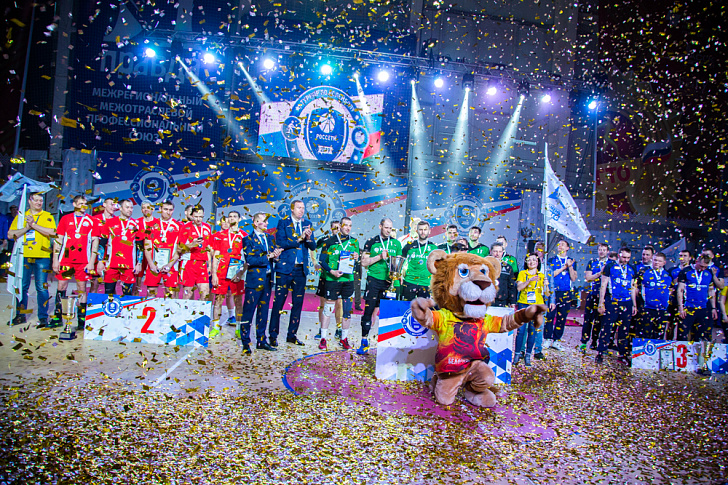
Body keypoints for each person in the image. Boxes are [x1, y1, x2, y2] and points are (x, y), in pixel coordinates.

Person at [269, 200, 316, 346]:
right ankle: (273, 335)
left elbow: (313, 246)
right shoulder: (283, 223)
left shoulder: (307, 224)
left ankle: (292, 335)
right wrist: (299, 238)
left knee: (298, 304)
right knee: (279, 302)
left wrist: (308, 239)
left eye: (303, 208)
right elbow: (281, 243)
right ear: (292, 209)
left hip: (300, 270)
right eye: (299, 208)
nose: (301, 210)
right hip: (285, 269)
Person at [8, 193, 57, 326]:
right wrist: (26, 228)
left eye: (41, 200)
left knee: (42, 287)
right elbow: (10, 235)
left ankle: (43, 317)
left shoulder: (47, 216)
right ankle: (21, 315)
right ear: (29, 201)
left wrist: (33, 225)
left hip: (42, 256)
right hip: (24, 256)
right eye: (36, 200)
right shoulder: (21, 216)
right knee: (22, 286)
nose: (39, 203)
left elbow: (52, 232)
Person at [50, 195, 97, 330]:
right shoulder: (65, 219)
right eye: (81, 203)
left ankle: (81, 320)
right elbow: (59, 240)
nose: (83, 206)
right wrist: (55, 259)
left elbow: (95, 242)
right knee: (61, 286)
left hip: (83, 261)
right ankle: (58, 317)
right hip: (66, 260)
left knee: (82, 288)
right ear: (74, 204)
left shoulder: (91, 220)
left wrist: (91, 261)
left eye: (85, 203)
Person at [240, 212, 282, 354]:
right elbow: (250, 260)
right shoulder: (247, 239)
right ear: (256, 223)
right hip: (254, 281)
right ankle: (245, 342)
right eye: (264, 221)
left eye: (267, 222)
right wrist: (268, 256)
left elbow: (273, 257)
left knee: (263, 312)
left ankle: (261, 340)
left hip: (267, 280)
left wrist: (276, 256)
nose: (267, 224)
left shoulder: (269, 238)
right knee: (248, 311)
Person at [359, 217, 402, 354]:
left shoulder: (396, 244)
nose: (388, 230)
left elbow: (399, 264)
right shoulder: (371, 242)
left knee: (388, 314)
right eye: (386, 227)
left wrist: (399, 274)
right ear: (380, 226)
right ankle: (364, 341)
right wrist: (379, 257)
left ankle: (387, 344)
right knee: (368, 310)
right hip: (374, 280)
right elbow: (364, 263)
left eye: (390, 228)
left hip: (389, 282)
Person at [317, 216, 360, 350]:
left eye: (350, 226)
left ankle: (344, 338)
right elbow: (322, 261)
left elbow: (356, 261)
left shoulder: (354, 242)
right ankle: (323, 338)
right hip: (333, 280)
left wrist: (357, 257)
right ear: (340, 226)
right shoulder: (329, 241)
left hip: (348, 280)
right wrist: (332, 271)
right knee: (328, 309)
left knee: (347, 311)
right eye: (345, 225)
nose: (348, 228)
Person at [596, 247, 637, 365]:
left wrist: (634, 304)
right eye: (624, 257)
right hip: (612, 301)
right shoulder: (610, 266)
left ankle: (622, 354)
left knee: (624, 329)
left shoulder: (632, 268)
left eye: (628, 258)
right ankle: (600, 352)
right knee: (607, 327)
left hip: (627, 302)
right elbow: (603, 284)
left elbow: (633, 287)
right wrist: (601, 302)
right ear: (619, 255)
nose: (626, 260)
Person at [210, 210, 247, 338]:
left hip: (236, 273)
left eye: (234, 216)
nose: (232, 218)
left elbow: (246, 257)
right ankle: (215, 327)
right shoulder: (220, 235)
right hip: (222, 272)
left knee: (238, 301)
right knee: (218, 300)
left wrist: (241, 273)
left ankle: (238, 328)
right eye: (230, 216)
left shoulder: (244, 236)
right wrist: (214, 274)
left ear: (239, 219)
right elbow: (216, 255)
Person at [97, 199, 142, 296]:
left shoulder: (136, 225)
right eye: (127, 207)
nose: (130, 210)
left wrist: (139, 263)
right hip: (111, 265)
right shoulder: (109, 222)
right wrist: (100, 261)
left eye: (131, 207)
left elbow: (140, 246)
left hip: (129, 266)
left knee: (127, 295)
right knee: (108, 293)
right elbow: (102, 243)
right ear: (120, 208)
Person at [513, 252, 550, 366]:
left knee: (532, 331)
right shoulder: (522, 273)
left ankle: (528, 355)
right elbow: (519, 288)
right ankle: (517, 354)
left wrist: (546, 285)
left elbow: (547, 294)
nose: (531, 262)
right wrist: (529, 280)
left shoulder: (542, 275)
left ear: (538, 262)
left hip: (537, 306)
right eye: (529, 260)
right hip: (524, 304)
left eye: (534, 260)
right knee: (521, 331)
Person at [144, 200, 182, 298]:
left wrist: (169, 265)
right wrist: (151, 264)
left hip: (171, 266)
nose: (168, 212)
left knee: (170, 295)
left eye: (170, 210)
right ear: (160, 209)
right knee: (151, 293)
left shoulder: (178, 226)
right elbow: (147, 246)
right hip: (153, 265)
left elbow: (179, 249)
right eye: (165, 209)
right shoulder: (151, 225)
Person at [544, 239, 577, 351]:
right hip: (553, 291)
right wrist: (564, 267)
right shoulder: (552, 260)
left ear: (567, 248)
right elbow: (550, 274)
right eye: (559, 244)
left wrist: (570, 266)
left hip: (566, 292)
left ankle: (557, 340)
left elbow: (573, 278)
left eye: (563, 244)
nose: (560, 246)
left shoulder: (571, 261)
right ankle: (547, 338)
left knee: (562, 317)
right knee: (550, 315)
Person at [314, 220, 343, 340]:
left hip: (338, 277)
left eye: (339, 228)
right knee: (323, 303)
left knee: (339, 303)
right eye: (335, 228)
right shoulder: (325, 240)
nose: (337, 230)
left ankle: (339, 328)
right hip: (325, 276)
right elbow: (312, 248)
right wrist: (315, 262)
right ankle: (321, 329)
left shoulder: (344, 241)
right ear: (331, 229)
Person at [677, 255, 715, 342]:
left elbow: (711, 290)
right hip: (688, 307)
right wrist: (680, 308)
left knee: (701, 335)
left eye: (705, 267)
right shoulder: (686, 271)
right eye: (701, 266)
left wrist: (713, 308)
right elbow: (680, 290)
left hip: (703, 308)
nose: (702, 269)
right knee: (683, 334)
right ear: (697, 261)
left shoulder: (708, 272)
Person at [580, 243, 610, 352]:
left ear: (607, 251)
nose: (602, 252)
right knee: (588, 319)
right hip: (592, 294)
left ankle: (594, 341)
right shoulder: (592, 262)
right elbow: (588, 278)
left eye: (604, 250)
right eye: (600, 250)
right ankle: (584, 342)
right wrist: (599, 273)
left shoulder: (610, 264)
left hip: (605, 296)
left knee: (600, 320)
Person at [179, 206, 212, 300]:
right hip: (189, 263)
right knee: (188, 294)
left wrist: (209, 265)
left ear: (203, 215)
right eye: (196, 216)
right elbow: (179, 248)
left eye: (200, 217)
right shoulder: (186, 228)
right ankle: (186, 310)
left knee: (205, 294)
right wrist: (191, 245)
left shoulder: (207, 227)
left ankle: (201, 310)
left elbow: (208, 248)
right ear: (192, 216)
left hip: (202, 264)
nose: (198, 219)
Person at [638, 252, 673, 339]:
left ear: (664, 263)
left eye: (659, 261)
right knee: (645, 334)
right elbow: (636, 288)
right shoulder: (644, 272)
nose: (656, 262)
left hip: (662, 309)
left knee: (659, 335)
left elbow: (670, 290)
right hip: (648, 308)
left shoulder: (667, 275)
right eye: (655, 260)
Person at [401, 220, 438, 301]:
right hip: (410, 281)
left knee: (424, 308)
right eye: (420, 229)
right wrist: (399, 274)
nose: (423, 232)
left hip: (426, 283)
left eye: (425, 229)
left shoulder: (434, 247)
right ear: (417, 231)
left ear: (429, 231)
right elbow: (400, 260)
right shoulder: (409, 246)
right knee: (407, 307)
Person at [89, 197, 116, 293]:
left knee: (111, 287)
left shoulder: (117, 220)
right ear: (104, 205)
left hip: (111, 257)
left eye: (115, 205)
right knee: (95, 284)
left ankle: (111, 302)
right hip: (97, 255)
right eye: (111, 204)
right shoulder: (95, 219)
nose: (113, 207)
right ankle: (92, 302)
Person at [133, 201, 159, 296]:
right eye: (143, 207)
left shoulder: (157, 223)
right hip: (139, 254)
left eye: (148, 207)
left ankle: (150, 299)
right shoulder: (137, 222)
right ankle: (135, 298)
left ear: (153, 209)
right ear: (141, 210)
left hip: (152, 255)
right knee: (136, 280)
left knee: (152, 282)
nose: (146, 209)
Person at [491, 243, 516, 308]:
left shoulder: (508, 267)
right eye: (495, 251)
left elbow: (511, 286)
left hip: (502, 301)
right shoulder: (484, 266)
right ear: (491, 251)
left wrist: (512, 302)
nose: (497, 254)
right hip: (486, 300)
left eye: (500, 252)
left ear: (502, 253)